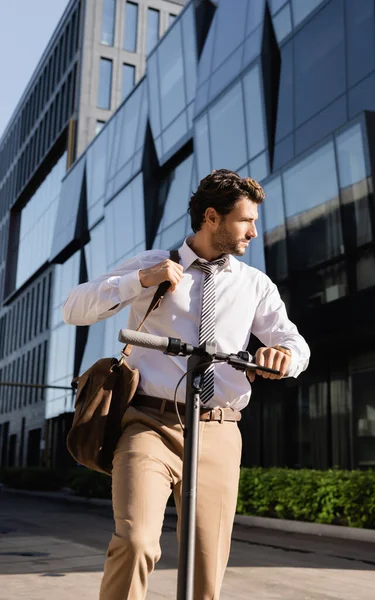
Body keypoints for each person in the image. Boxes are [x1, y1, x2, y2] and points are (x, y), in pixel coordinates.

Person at [63, 169, 310, 600]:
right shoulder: (153, 265)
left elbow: (294, 344)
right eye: (245, 220)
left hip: (218, 430)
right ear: (211, 218)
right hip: (149, 425)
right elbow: (74, 309)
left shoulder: (254, 284)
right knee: (137, 542)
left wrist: (283, 359)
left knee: (205, 572)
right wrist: (138, 281)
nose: (254, 231)